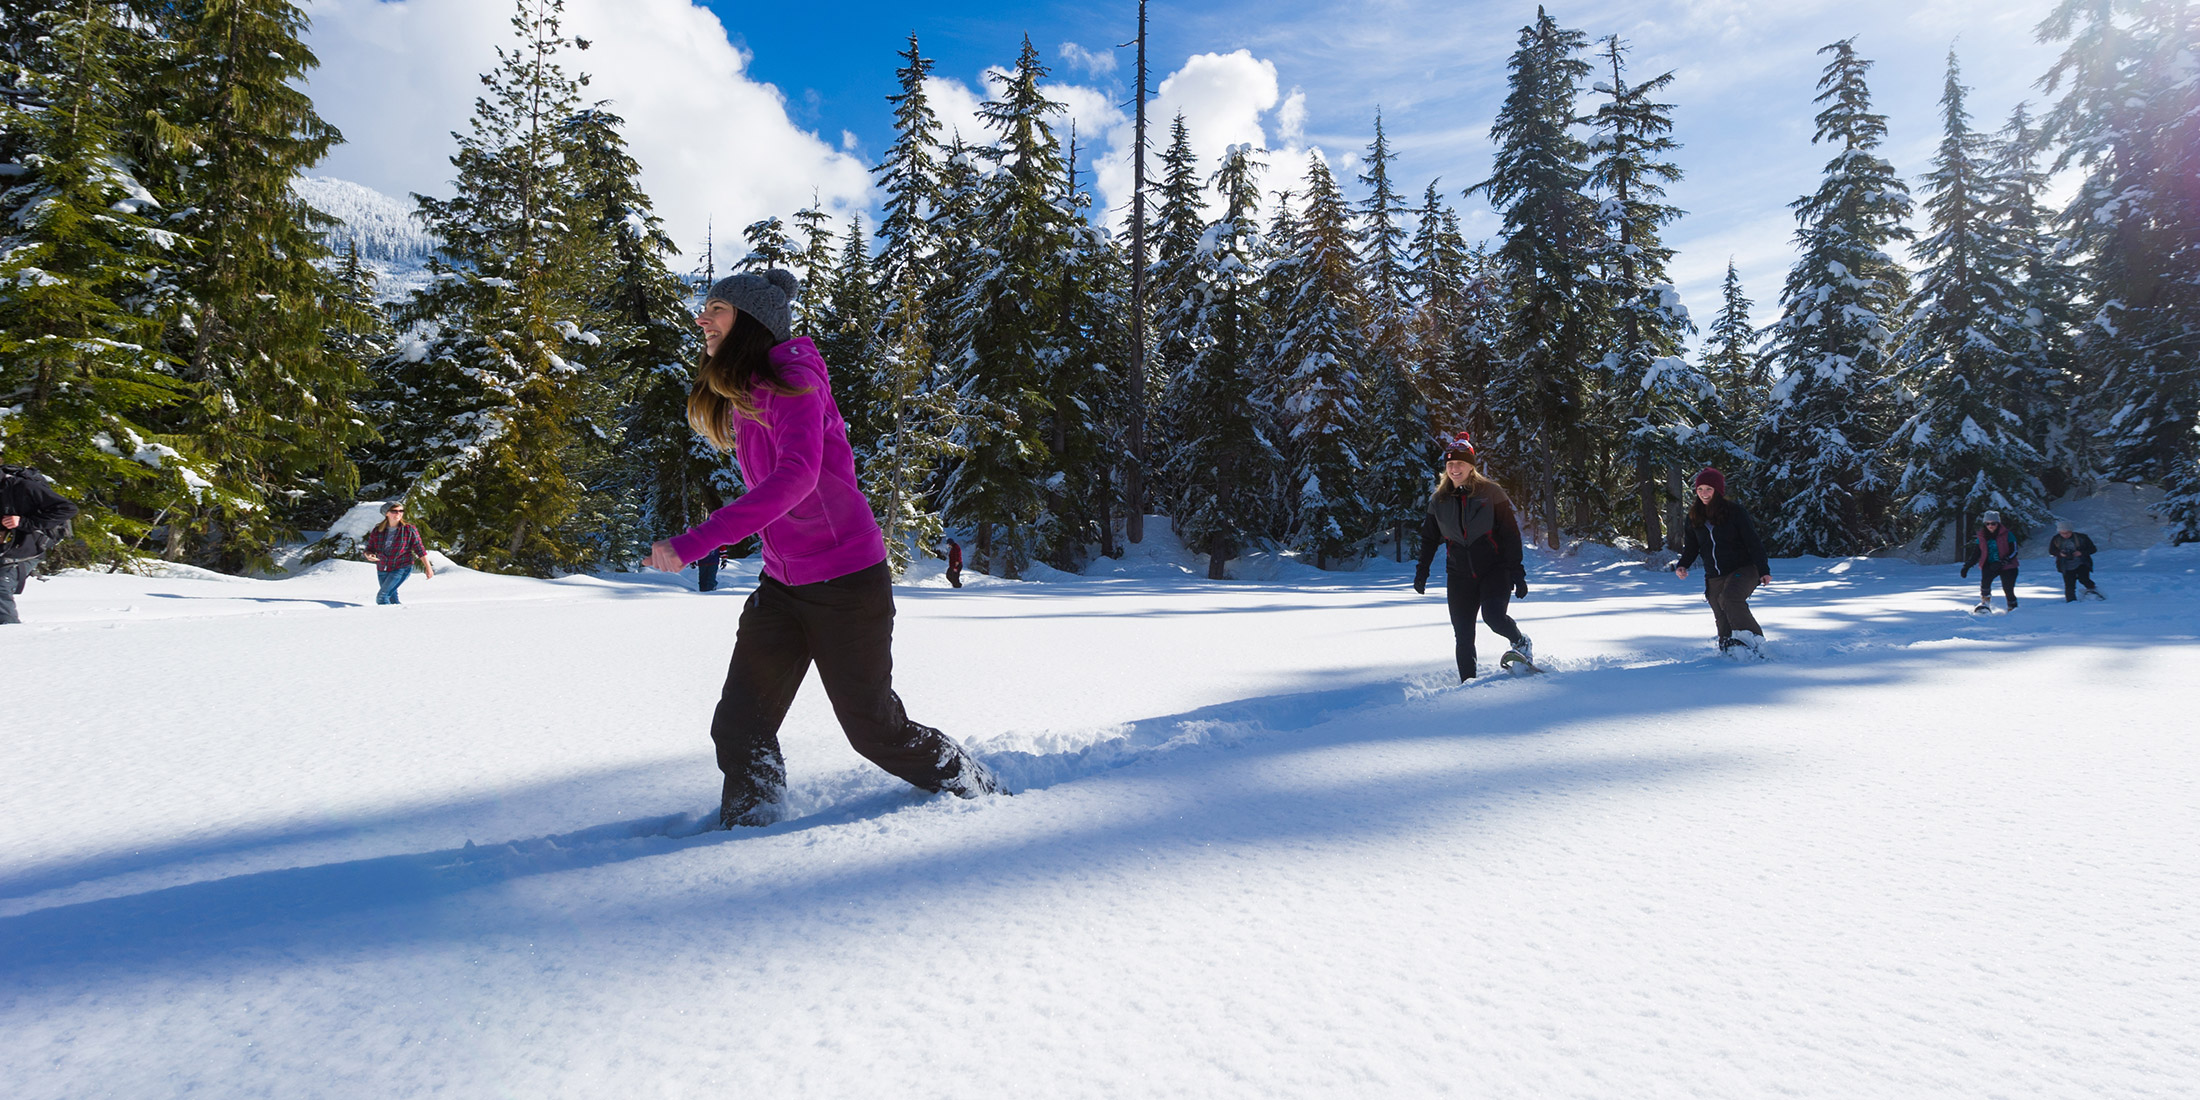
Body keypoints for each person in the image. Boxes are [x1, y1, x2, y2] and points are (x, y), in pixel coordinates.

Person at [642, 269, 1003, 828]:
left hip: (847, 584)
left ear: (751, 321)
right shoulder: (746, 391)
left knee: (875, 730)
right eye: (704, 308)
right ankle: (751, 826)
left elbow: (796, 480)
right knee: (740, 724)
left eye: (716, 308)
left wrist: (697, 543)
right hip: (783, 587)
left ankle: (975, 787)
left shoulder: (796, 382)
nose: (701, 318)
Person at [1412, 432, 1531, 680]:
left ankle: (1520, 642)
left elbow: (1510, 534)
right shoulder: (1438, 501)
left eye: (1460, 463)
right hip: (1459, 576)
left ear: (1471, 466)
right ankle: (1468, 685)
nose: (1455, 468)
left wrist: (1517, 572)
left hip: (1494, 570)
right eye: (1450, 464)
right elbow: (1429, 539)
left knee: (1494, 617)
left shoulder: (1492, 494)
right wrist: (1422, 570)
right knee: (1463, 636)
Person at [1673, 467, 1773, 654]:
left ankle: (1754, 642)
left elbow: (1753, 542)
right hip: (1715, 574)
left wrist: (1763, 570)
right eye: (1700, 489)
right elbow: (1692, 546)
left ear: (1718, 490)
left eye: (1709, 489)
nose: (1704, 493)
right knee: (1719, 609)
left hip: (1744, 568)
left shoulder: (1735, 512)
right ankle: (1729, 648)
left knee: (1730, 598)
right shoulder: (1694, 516)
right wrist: (1683, 565)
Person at [1, 463, 80, 625]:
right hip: (6, 546)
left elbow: (67, 508)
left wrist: (24, 522)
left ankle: (10, 633)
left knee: (0, 585)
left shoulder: (23, 487)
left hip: (28, 546)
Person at [361, 501, 433, 604]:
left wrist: (428, 567)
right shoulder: (378, 530)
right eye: (394, 511)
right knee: (391, 597)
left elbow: (419, 549)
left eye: (401, 511)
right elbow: (370, 548)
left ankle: (386, 619)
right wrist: (368, 555)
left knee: (382, 596)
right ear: (387, 513)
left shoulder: (409, 529)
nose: (398, 513)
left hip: (402, 567)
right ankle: (399, 617)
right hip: (382, 568)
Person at [1960, 510, 2020, 612]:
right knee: (1985, 583)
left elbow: (2014, 550)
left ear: (1998, 523)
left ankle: (2012, 607)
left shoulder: (2007, 534)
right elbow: (1976, 553)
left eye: (1993, 523)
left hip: (2008, 566)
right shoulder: (1982, 536)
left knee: (2008, 588)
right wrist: (1967, 566)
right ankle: (1985, 604)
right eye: (1987, 524)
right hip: (1990, 564)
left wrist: (2003, 561)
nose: (1990, 526)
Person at [2047, 519, 2102, 602]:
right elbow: (2051, 551)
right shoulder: (2056, 539)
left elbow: (2093, 549)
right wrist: (2060, 554)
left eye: (2067, 532)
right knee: (2069, 585)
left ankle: (2094, 591)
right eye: (2062, 533)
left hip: (2082, 563)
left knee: (2084, 579)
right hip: (2065, 565)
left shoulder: (2082, 537)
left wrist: (2081, 553)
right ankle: (2071, 602)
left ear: (2071, 531)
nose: (2065, 535)